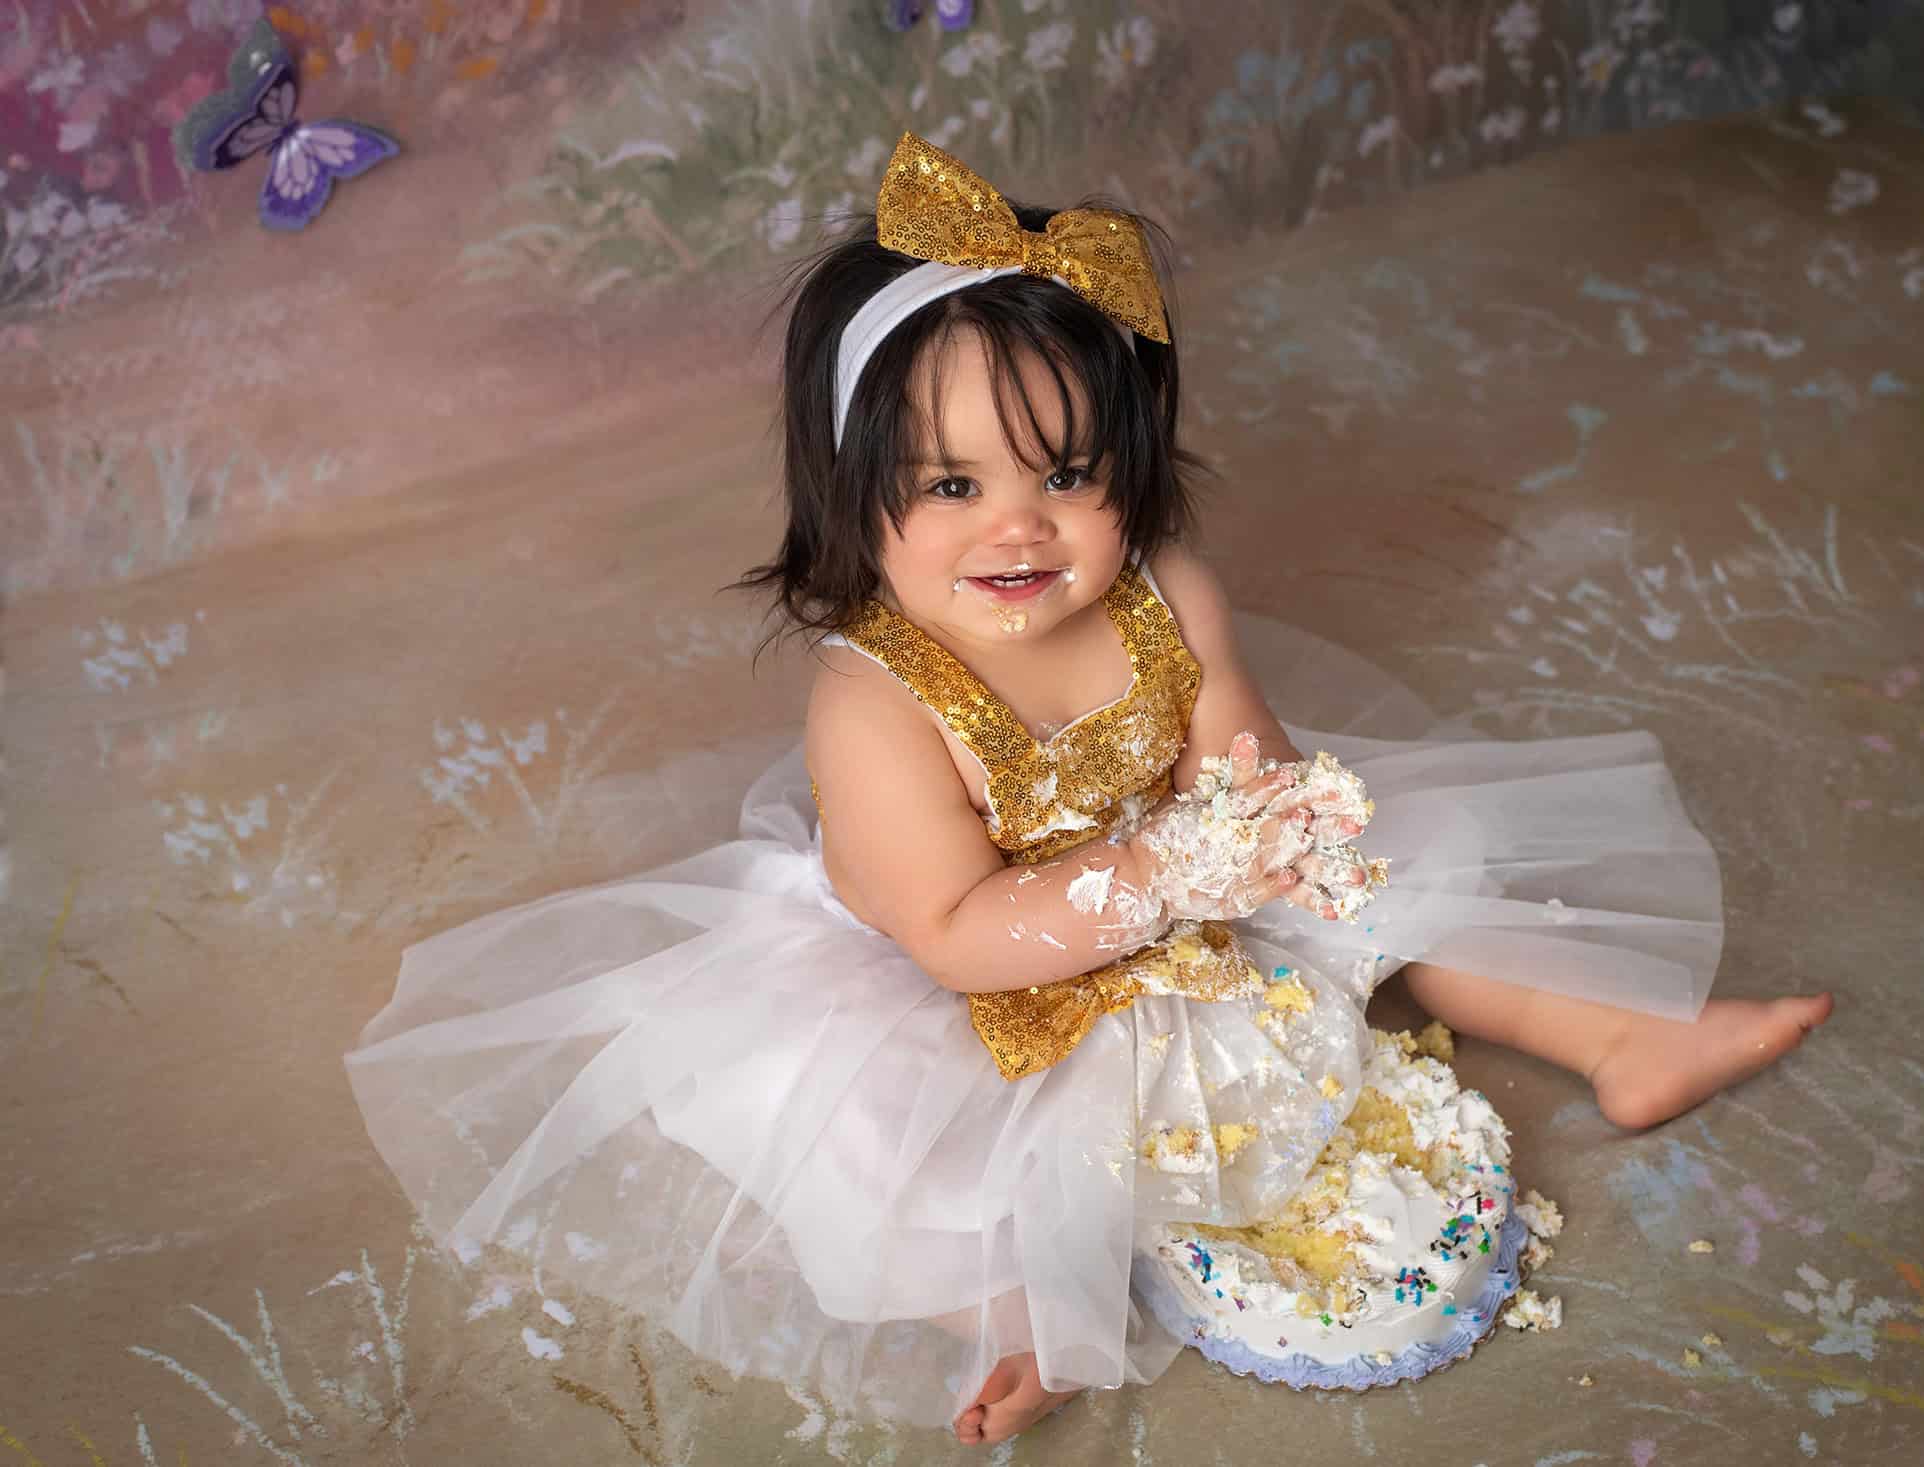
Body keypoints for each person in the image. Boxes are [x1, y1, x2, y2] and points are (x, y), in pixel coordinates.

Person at [345, 134, 1831, 1446]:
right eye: (951, 487)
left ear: (1136, 468)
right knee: (877, 1141)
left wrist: (1267, 818)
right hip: (978, 975)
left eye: (1066, 476)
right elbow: (954, 932)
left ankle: (1620, 1035)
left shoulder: (1165, 589)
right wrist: (1172, 878)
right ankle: (1016, 1312)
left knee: (1411, 866)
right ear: (851, 495)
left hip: (1174, 884)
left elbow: (1235, 737)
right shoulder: (874, 704)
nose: (1019, 529)